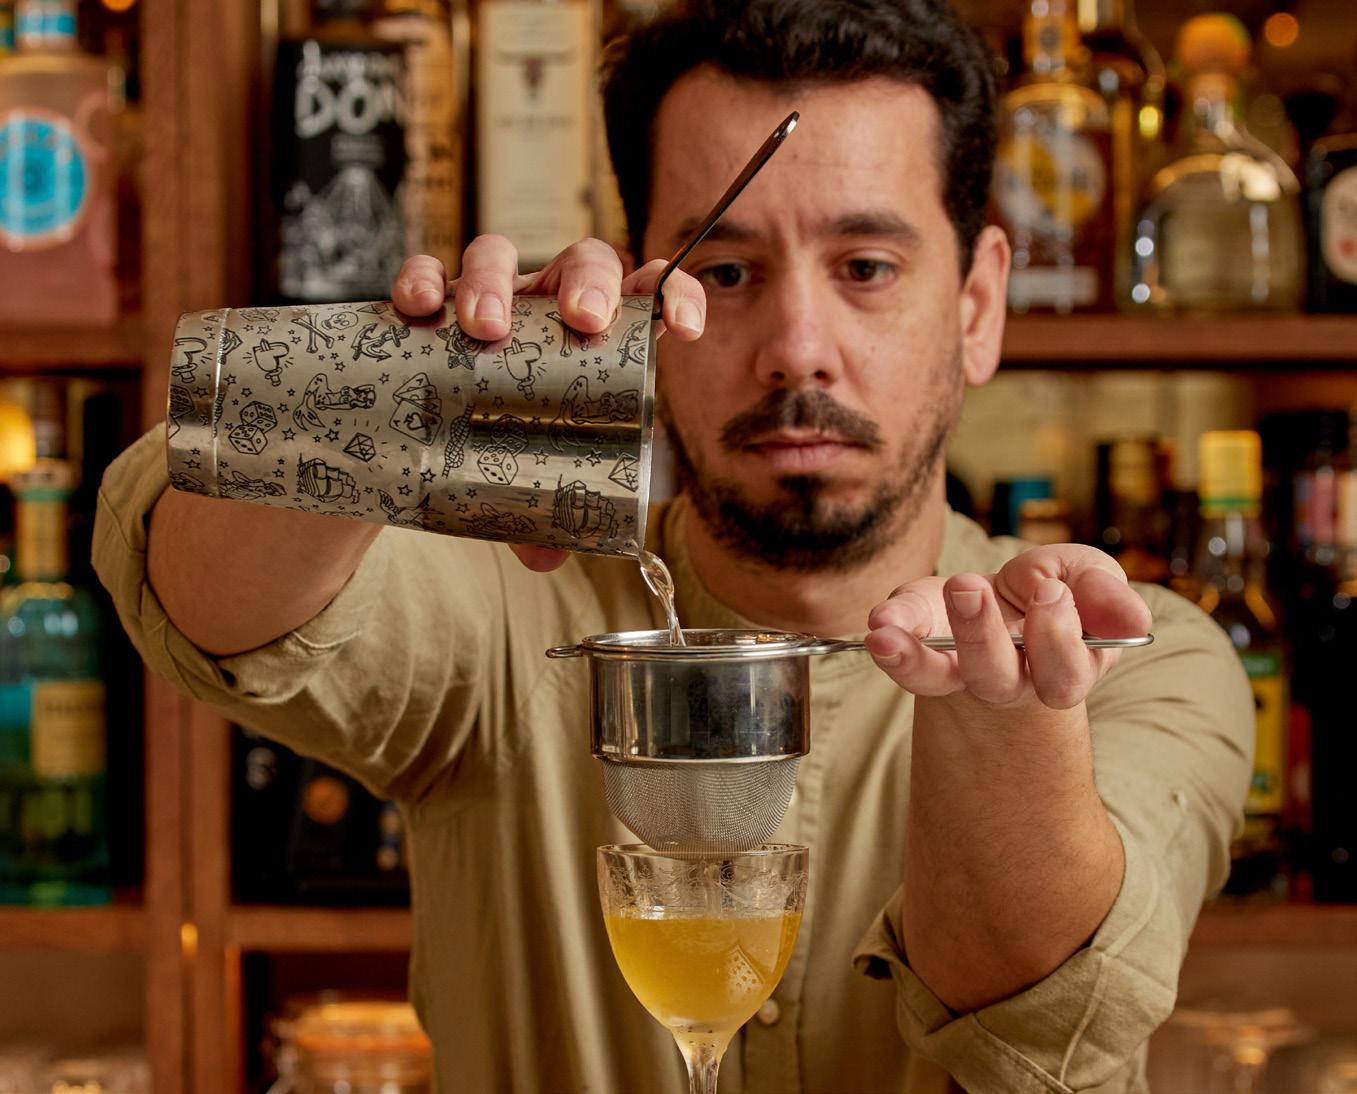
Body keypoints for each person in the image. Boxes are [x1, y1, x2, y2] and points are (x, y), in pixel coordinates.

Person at [93, 1, 1254, 1090]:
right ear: (643, 298)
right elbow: (190, 584)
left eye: (865, 269)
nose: (795, 347)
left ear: (977, 305)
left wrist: (1002, 715)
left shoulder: (1133, 655)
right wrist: (420, 392)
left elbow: (1046, 1027)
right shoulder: (518, 606)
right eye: (727, 273)